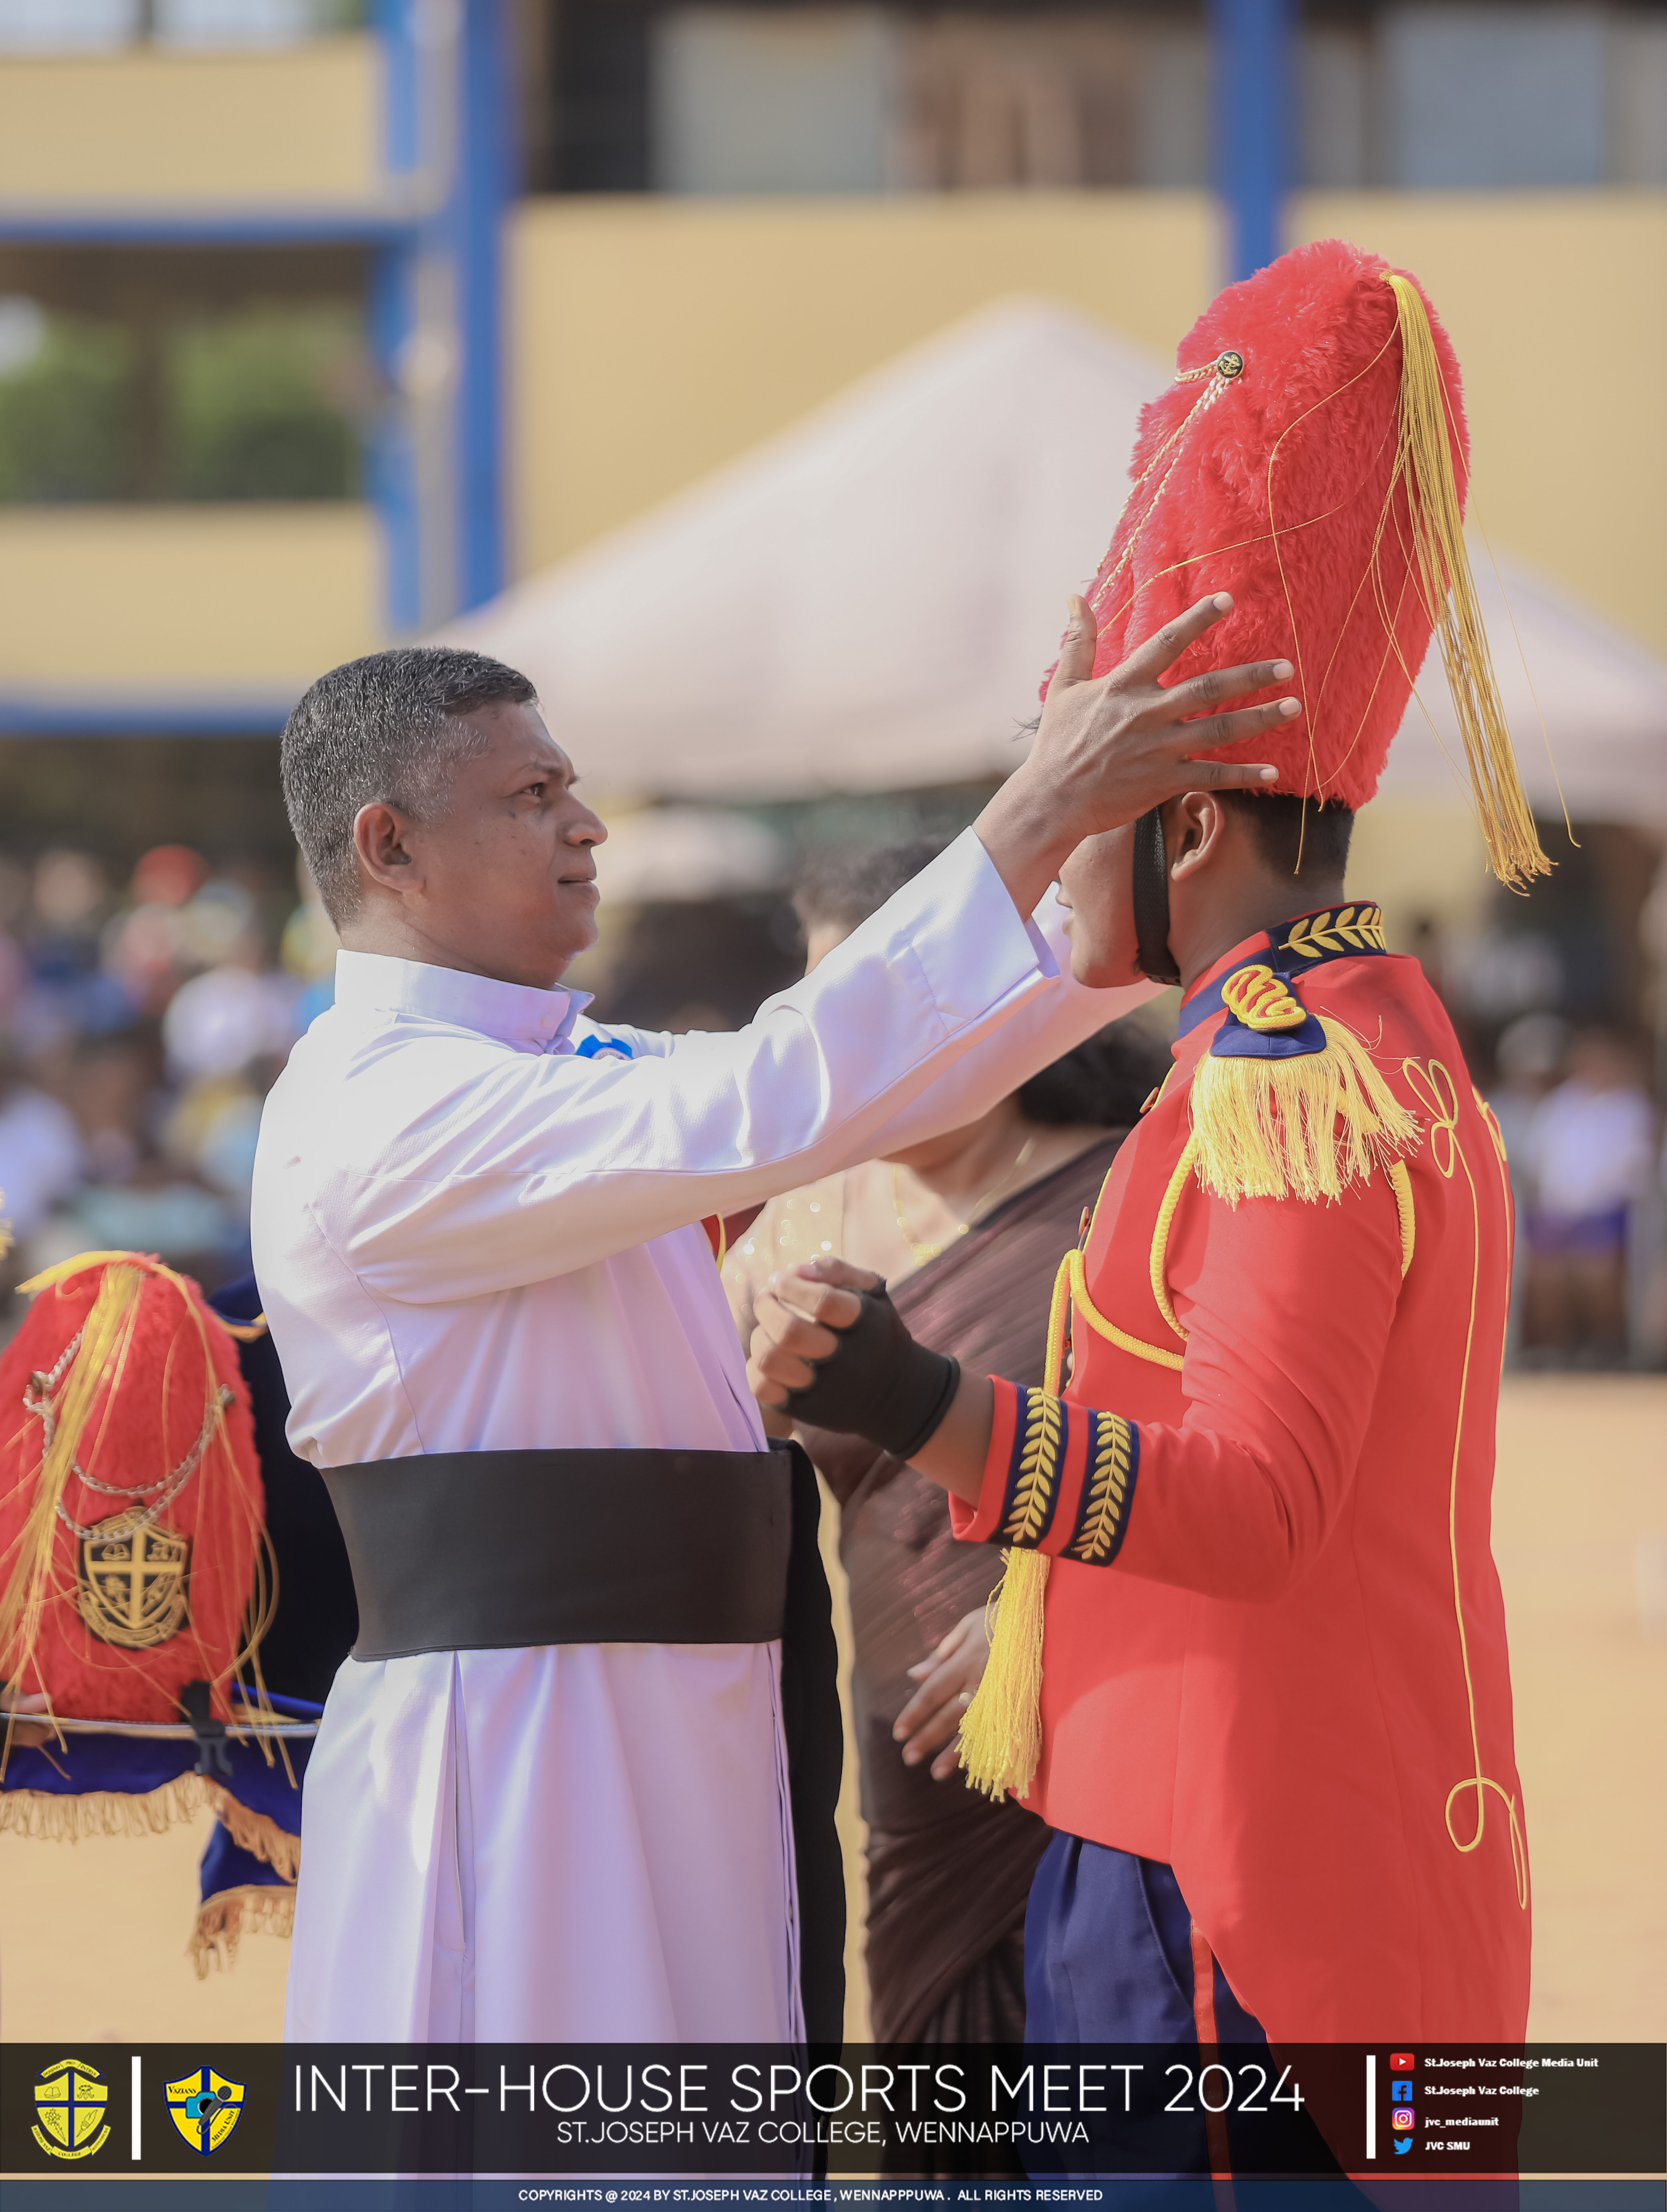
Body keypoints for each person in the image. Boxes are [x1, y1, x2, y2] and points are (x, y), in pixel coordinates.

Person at [253, 606, 1301, 2045]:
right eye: (531, 796)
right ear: (387, 847)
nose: (586, 828)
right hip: (515, 1742)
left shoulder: (566, 1065)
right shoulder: (381, 1105)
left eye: (569, 787)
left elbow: (892, 1079)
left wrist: (1128, 902)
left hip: (693, 1708)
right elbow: (777, 1091)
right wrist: (1049, 799)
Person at [748, 237, 1543, 2055]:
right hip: (1264, 1849)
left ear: (1181, 825)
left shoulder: (1281, 1077)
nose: (1035, 845)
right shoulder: (1338, 1042)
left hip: (1236, 1906)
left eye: (1072, 784)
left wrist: (917, 1392)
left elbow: (1256, 1504)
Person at [727, 840, 1162, 2074]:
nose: (850, 1047)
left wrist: (1055, 1622)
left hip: (1113, 1724)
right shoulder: (792, 1217)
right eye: (825, 1011)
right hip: (910, 1766)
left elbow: (1224, 1470)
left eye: (876, 1003)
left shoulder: (1133, 1192)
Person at [1520, 1026, 1655, 1364]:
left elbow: (1633, 1167)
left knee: (1597, 1273)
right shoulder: (1557, 1104)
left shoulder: (1630, 1107)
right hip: (1556, 1213)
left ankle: (1604, 1347)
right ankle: (1555, 1348)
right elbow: (1537, 1161)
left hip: (1605, 1212)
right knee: (1544, 1275)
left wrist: (1589, 1207)